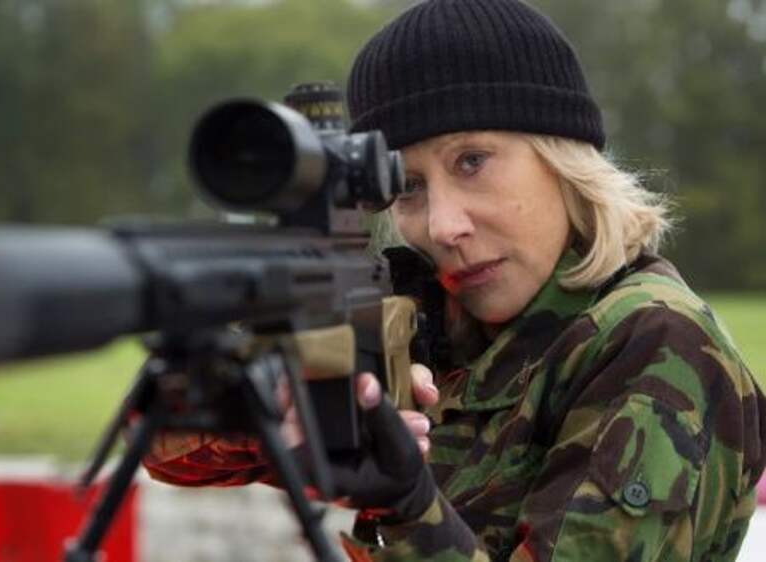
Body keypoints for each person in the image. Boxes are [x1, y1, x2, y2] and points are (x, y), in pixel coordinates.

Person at [143, 0, 766, 560]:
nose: (442, 226)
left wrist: (408, 505)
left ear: (562, 157)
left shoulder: (654, 341)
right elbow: (165, 450)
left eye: (472, 161)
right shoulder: (426, 312)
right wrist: (282, 407)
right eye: (408, 187)